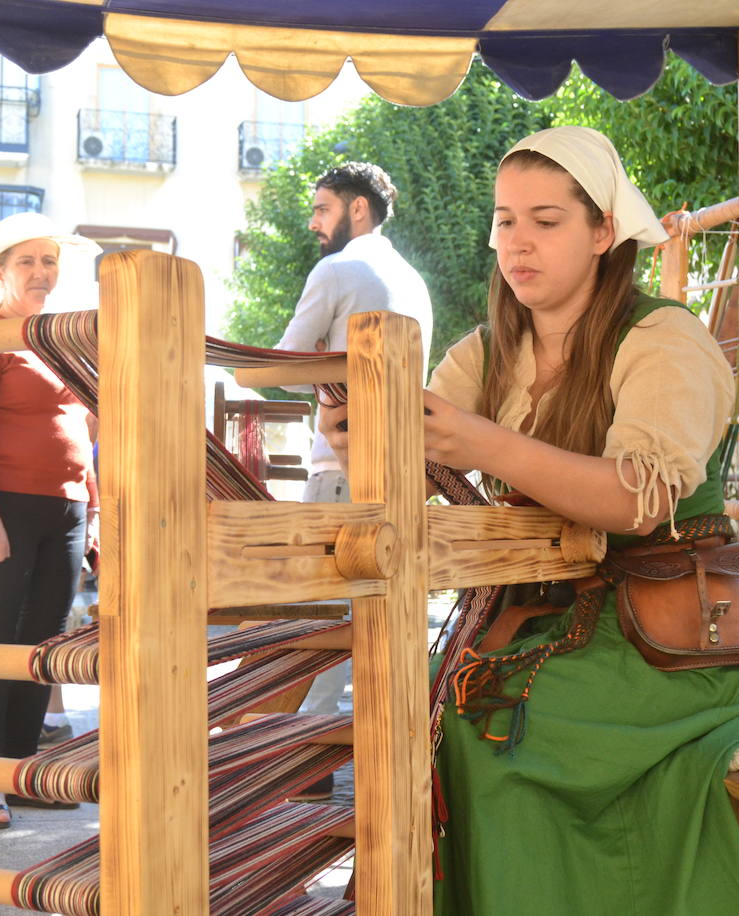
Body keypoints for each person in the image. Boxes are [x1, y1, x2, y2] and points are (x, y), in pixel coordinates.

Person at [320, 126, 739, 914]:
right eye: (506, 220)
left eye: (547, 221)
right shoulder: (486, 351)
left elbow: (636, 500)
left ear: (604, 232)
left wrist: (478, 440)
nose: (518, 243)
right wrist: (364, 441)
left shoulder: (663, 337)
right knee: (426, 726)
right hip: (542, 617)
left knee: (497, 738)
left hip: (669, 629)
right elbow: (418, 473)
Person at [275, 162, 433, 800]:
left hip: (340, 464)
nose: (314, 224)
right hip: (401, 467)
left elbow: (285, 368)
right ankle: (388, 768)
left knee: (323, 626)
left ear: (357, 210)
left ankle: (304, 771)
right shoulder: (412, 280)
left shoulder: (337, 270)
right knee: (382, 625)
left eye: (322, 209)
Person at [0, 213, 100, 828]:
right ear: (2, 272)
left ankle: (18, 770)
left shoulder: (62, 339)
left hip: (66, 511)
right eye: (27, 262)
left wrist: (90, 508)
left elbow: (83, 432)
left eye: (49, 261)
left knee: (43, 644)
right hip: (1, 508)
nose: (41, 272)